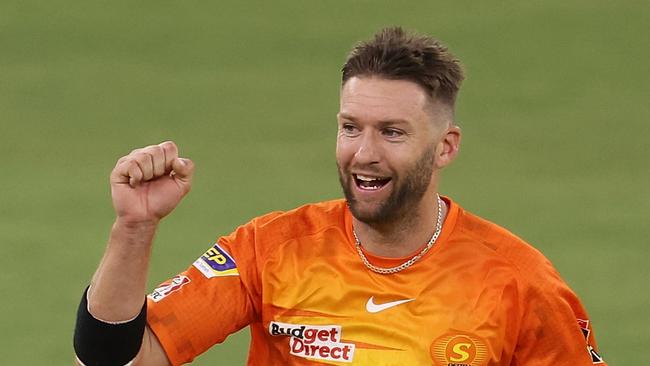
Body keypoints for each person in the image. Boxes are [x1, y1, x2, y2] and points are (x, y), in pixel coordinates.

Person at [73, 27, 607, 366]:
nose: (363, 154)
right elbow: (114, 361)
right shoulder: (270, 250)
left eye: (392, 133)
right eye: (351, 127)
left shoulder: (518, 282)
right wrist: (135, 229)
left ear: (445, 147)